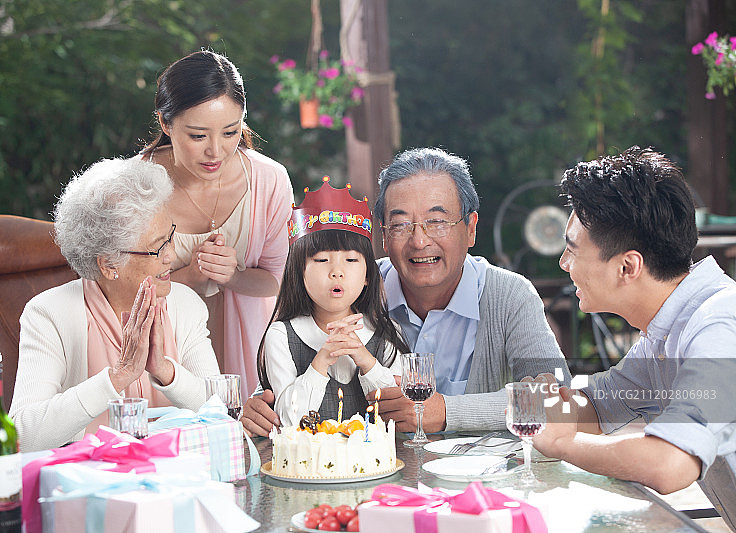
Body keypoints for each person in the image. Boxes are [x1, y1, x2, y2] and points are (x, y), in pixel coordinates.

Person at [242, 147, 568, 437]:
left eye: (437, 221)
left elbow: (558, 402)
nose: (419, 240)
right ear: (383, 236)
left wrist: (446, 412)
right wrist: (262, 403)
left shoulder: (510, 296)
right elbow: (294, 362)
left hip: (480, 486)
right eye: (400, 225)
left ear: (470, 228)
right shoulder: (357, 287)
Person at [528, 146, 736, 530]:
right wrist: (548, 405)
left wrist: (562, 444)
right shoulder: (665, 332)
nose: (563, 263)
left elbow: (670, 464)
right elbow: (598, 407)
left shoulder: (719, 323)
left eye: (572, 250)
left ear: (628, 266)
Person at [10, 158, 220, 452]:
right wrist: (118, 376)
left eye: (170, 236)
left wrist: (165, 371)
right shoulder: (49, 314)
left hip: (177, 481)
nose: (171, 255)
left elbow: (222, 412)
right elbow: (20, 436)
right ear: (109, 264)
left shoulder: (186, 305)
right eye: (158, 247)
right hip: (92, 486)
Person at [140, 50, 293, 399]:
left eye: (230, 132)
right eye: (197, 136)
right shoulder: (134, 186)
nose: (216, 151)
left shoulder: (270, 180)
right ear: (165, 124)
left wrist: (234, 276)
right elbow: (115, 290)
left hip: (250, 350)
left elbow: (278, 278)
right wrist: (188, 277)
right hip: (162, 357)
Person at [256, 180, 408, 426]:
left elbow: (399, 413)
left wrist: (364, 358)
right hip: (308, 464)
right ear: (299, 272)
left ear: (368, 275)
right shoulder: (281, 336)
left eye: (350, 260)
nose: (337, 271)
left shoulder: (387, 332)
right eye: (321, 259)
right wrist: (322, 359)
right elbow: (288, 418)